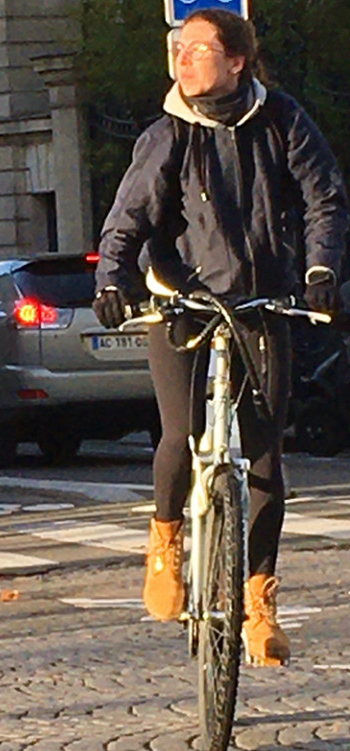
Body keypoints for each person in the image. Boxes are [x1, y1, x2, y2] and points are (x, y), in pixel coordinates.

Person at [92, 9, 348, 666]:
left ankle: (259, 601)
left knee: (264, 457)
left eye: (198, 48)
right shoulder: (167, 134)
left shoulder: (282, 120)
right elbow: (128, 216)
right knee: (179, 433)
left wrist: (320, 271)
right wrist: (114, 280)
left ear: (235, 60)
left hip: (263, 301)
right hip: (183, 302)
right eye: (178, 47)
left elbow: (324, 198)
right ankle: (165, 542)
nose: (183, 57)